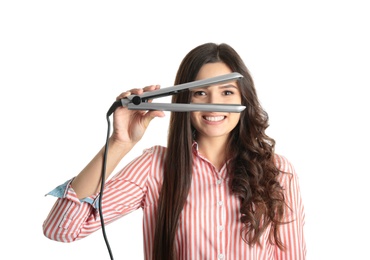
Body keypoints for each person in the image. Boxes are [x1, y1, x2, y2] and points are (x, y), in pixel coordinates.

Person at [43, 42, 306, 259]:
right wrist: (119, 143)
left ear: (244, 99)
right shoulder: (154, 166)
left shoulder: (279, 171)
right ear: (183, 99)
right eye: (200, 93)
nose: (214, 104)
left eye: (227, 92)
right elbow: (62, 229)